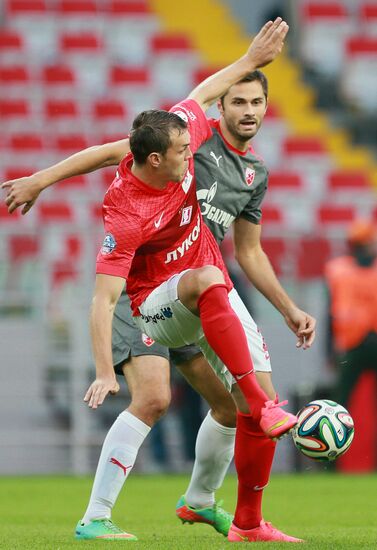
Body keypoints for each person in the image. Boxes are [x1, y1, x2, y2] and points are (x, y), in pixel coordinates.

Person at [2, 19, 316, 543]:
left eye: (256, 102)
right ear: (155, 158)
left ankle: (222, 511)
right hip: (145, 297)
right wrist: (103, 370)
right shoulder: (127, 210)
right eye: (238, 102)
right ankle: (96, 516)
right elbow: (103, 299)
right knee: (154, 397)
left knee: (230, 400)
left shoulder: (200, 145)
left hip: (196, 290)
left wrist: (250, 60)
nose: (248, 111)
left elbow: (196, 95)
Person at [325, 219, 377, 417]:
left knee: (340, 402)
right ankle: (332, 444)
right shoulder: (338, 270)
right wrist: (329, 350)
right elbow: (330, 313)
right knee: (339, 404)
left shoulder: (337, 270)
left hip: (363, 341)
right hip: (350, 344)